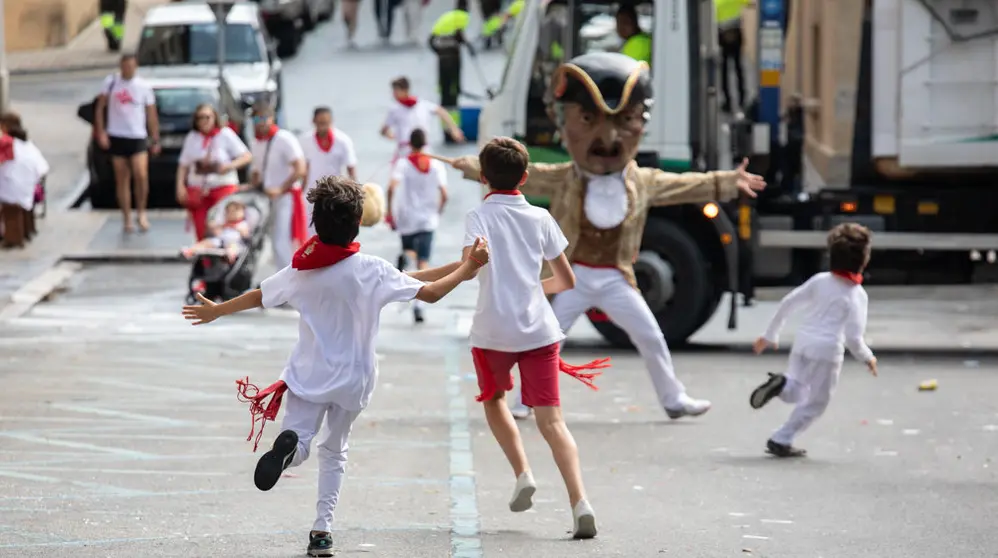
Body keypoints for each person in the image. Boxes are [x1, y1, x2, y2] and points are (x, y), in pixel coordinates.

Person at [447, 52, 767, 421]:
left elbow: (688, 186)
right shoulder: (567, 176)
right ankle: (524, 400)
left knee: (650, 336)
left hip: (617, 277)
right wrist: (472, 167)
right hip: (575, 277)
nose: (608, 136)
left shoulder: (643, 181)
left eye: (625, 121)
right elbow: (524, 173)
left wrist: (729, 181)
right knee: (546, 341)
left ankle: (674, 398)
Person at [182, 176, 490, 557]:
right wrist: (466, 269)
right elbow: (425, 291)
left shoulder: (301, 270)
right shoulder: (372, 270)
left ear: (315, 224)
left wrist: (217, 310)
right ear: (358, 223)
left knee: (303, 440)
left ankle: (291, 451)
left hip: (308, 375)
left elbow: (261, 296)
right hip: (354, 381)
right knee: (335, 450)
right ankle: (322, 531)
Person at [464, 137, 608, 539]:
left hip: (492, 331)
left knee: (494, 401)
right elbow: (565, 279)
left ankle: (522, 472)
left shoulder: (478, 218)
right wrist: (528, 286)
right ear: (525, 178)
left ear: (482, 177)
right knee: (553, 422)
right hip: (538, 331)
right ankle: (580, 502)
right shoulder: (541, 219)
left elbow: (471, 269)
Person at [750, 223, 878, 458]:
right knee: (817, 402)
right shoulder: (857, 295)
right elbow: (853, 338)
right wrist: (868, 357)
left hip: (803, 342)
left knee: (797, 389)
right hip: (827, 351)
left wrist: (771, 334)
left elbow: (788, 302)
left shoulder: (820, 281)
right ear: (864, 259)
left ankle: (780, 385)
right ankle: (782, 438)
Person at [385, 128, 448, 323]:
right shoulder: (437, 165)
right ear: (426, 142)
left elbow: (391, 187)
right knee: (424, 262)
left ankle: (406, 257)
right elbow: (445, 194)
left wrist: (389, 211)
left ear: (410, 143)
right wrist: (437, 212)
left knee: (411, 251)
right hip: (428, 219)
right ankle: (419, 306)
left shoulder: (403, 163)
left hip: (407, 218)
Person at [94, 54, 160, 233]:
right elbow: (100, 108)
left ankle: (141, 212)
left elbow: (151, 114)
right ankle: (126, 217)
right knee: (122, 178)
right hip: (117, 134)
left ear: (135, 66)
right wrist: (101, 132)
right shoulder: (111, 82)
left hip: (137, 135)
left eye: (130, 66)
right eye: (124, 66)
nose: (127, 70)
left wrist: (155, 138)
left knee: (141, 175)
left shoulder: (143, 86)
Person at [176, 103, 252, 241]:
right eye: (200, 118)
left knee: (222, 226)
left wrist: (229, 166)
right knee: (201, 228)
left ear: (214, 118)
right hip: (199, 190)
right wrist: (180, 186)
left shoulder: (225, 134)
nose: (204, 121)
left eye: (207, 117)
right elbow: (183, 164)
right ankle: (205, 260)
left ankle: (226, 257)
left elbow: (246, 156)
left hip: (222, 187)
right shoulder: (192, 137)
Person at [249, 102, 308, 270]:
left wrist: (281, 189)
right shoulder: (256, 142)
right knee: (270, 241)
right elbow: (256, 171)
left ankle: (288, 277)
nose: (260, 122)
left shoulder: (284, 138)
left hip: (285, 197)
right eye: (257, 118)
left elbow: (300, 167)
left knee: (283, 241)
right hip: (267, 198)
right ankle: (283, 276)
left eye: (264, 118)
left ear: (272, 118)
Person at [300, 107, 358, 236]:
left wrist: (354, 194)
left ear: (332, 121)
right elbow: (304, 168)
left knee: (335, 231)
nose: (323, 127)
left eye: (326, 123)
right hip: (312, 193)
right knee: (311, 233)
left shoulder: (343, 140)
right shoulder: (305, 140)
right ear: (313, 121)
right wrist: (301, 192)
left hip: (335, 192)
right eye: (320, 123)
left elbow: (351, 168)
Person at [380, 77, 464, 159]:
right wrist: (392, 136)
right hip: (405, 151)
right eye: (393, 90)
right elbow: (384, 130)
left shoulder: (422, 104)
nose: (394, 94)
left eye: (396, 90)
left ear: (405, 90)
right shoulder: (394, 109)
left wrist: (454, 129)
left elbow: (442, 112)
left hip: (424, 150)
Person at [0, 115, 48, 250]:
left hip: (11, 185)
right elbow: (42, 167)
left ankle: (12, 238)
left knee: (10, 209)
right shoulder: (27, 143)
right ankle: (25, 232)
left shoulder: (7, 142)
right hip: (29, 185)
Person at [428, 1, 472, 130]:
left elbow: (430, 40)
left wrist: (440, 52)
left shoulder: (446, 17)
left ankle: (445, 127)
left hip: (442, 61)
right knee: (453, 92)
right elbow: (459, 35)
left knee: (444, 92)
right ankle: (453, 127)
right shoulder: (462, 17)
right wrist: (468, 45)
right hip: (453, 60)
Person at [181, 200, 251, 263]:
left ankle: (230, 257)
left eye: (235, 211)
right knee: (207, 242)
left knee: (232, 246)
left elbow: (246, 235)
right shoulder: (224, 223)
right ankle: (190, 251)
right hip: (220, 241)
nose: (232, 214)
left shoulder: (242, 224)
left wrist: (237, 228)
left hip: (235, 242)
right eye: (229, 212)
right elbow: (215, 230)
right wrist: (218, 227)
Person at [716, 0, 750, 113]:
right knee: (738, 67)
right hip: (735, 32)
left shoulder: (716, 2)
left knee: (724, 69)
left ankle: (727, 102)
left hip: (722, 34)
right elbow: (748, 3)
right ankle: (742, 99)